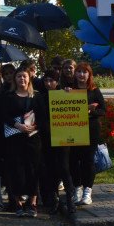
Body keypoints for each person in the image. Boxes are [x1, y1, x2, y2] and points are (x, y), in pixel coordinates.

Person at [0, 69, 41, 217]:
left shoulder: (37, 96)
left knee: (33, 169)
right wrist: (18, 125)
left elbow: (43, 117)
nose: (22, 79)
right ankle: (18, 203)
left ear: (29, 79)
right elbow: (4, 115)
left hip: (33, 137)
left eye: (24, 76)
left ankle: (33, 203)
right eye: (19, 76)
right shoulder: (9, 96)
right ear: (15, 79)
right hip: (14, 137)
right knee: (16, 170)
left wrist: (32, 127)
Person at [36, 71, 75, 215]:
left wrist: (69, 93)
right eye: (46, 81)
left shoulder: (63, 94)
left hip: (63, 135)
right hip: (47, 136)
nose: (48, 84)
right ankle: (54, 200)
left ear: (57, 82)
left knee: (64, 168)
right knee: (51, 169)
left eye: (51, 81)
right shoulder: (41, 97)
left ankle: (70, 200)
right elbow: (38, 116)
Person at [68, 63, 105, 206]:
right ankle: (77, 188)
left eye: (84, 72)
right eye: (79, 72)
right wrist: (65, 93)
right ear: (75, 74)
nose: (81, 75)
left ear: (89, 75)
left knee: (88, 160)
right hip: (73, 130)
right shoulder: (70, 90)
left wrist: (91, 112)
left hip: (91, 130)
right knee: (73, 160)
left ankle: (87, 191)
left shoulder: (94, 91)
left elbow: (103, 110)